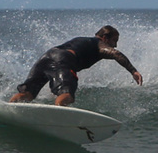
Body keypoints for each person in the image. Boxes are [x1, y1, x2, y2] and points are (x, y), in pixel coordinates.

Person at [9, 25, 143, 106]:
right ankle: (59, 113)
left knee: (28, 94)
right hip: (63, 59)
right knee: (67, 95)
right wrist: (133, 71)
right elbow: (116, 54)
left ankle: (10, 106)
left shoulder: (83, 39)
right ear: (105, 38)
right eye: (114, 40)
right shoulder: (99, 44)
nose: (115, 44)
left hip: (46, 57)